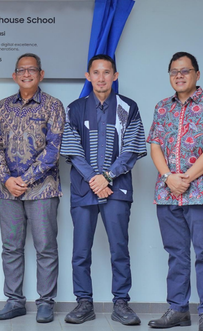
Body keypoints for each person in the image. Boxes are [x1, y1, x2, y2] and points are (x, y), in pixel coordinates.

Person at [147, 52, 203, 331]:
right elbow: (155, 145)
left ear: (197, 74)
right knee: (176, 253)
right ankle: (178, 310)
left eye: (185, 71)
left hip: (200, 193)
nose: (179, 76)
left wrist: (186, 178)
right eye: (174, 72)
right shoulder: (161, 107)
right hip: (167, 192)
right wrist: (169, 177)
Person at [60, 54, 147, 326]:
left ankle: (121, 303)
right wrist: (95, 179)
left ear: (115, 76)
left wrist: (107, 177)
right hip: (84, 190)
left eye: (106, 72)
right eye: (95, 73)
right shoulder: (75, 108)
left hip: (117, 190)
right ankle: (83, 303)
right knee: (80, 250)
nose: (101, 78)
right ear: (88, 76)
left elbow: (132, 148)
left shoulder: (128, 107)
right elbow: (72, 152)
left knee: (119, 248)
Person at [0, 53, 65, 324]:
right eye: (22, 70)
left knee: (45, 247)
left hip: (42, 190)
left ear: (41, 75)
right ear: (14, 75)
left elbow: (53, 150)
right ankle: (14, 301)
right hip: (7, 191)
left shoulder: (53, 106)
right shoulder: (2, 107)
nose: (27, 74)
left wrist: (26, 179)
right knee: (11, 247)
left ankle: (45, 303)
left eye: (32, 70)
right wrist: (7, 179)